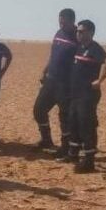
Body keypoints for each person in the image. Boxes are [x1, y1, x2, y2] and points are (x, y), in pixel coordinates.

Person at [67, 20, 106, 173]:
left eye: (82, 31)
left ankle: (89, 161)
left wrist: (99, 80)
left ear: (91, 33)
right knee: (73, 122)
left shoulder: (94, 48)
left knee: (86, 126)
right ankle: (73, 154)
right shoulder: (79, 47)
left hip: (87, 95)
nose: (78, 34)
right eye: (78, 31)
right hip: (75, 94)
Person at [33, 8, 78, 157]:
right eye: (60, 22)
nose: (61, 25)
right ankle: (46, 140)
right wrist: (44, 71)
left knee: (64, 116)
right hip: (50, 80)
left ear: (72, 21)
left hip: (65, 84)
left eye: (64, 23)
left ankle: (66, 147)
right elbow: (53, 55)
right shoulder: (59, 33)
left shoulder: (78, 37)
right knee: (39, 110)